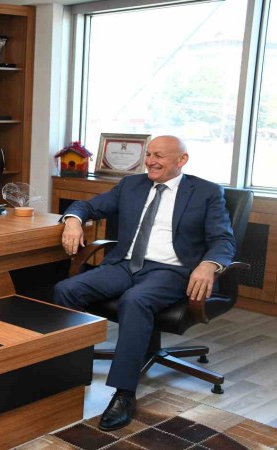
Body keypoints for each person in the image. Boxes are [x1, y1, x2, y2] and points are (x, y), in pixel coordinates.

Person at [52, 136, 235, 431]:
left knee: (135, 300)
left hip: (171, 271)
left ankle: (124, 394)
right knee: (66, 290)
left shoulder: (206, 192)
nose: (150, 161)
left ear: (182, 160)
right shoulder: (131, 185)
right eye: (148, 154)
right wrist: (73, 220)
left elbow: (223, 239)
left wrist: (208, 265)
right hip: (125, 265)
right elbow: (87, 206)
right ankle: (67, 374)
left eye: (159, 156)